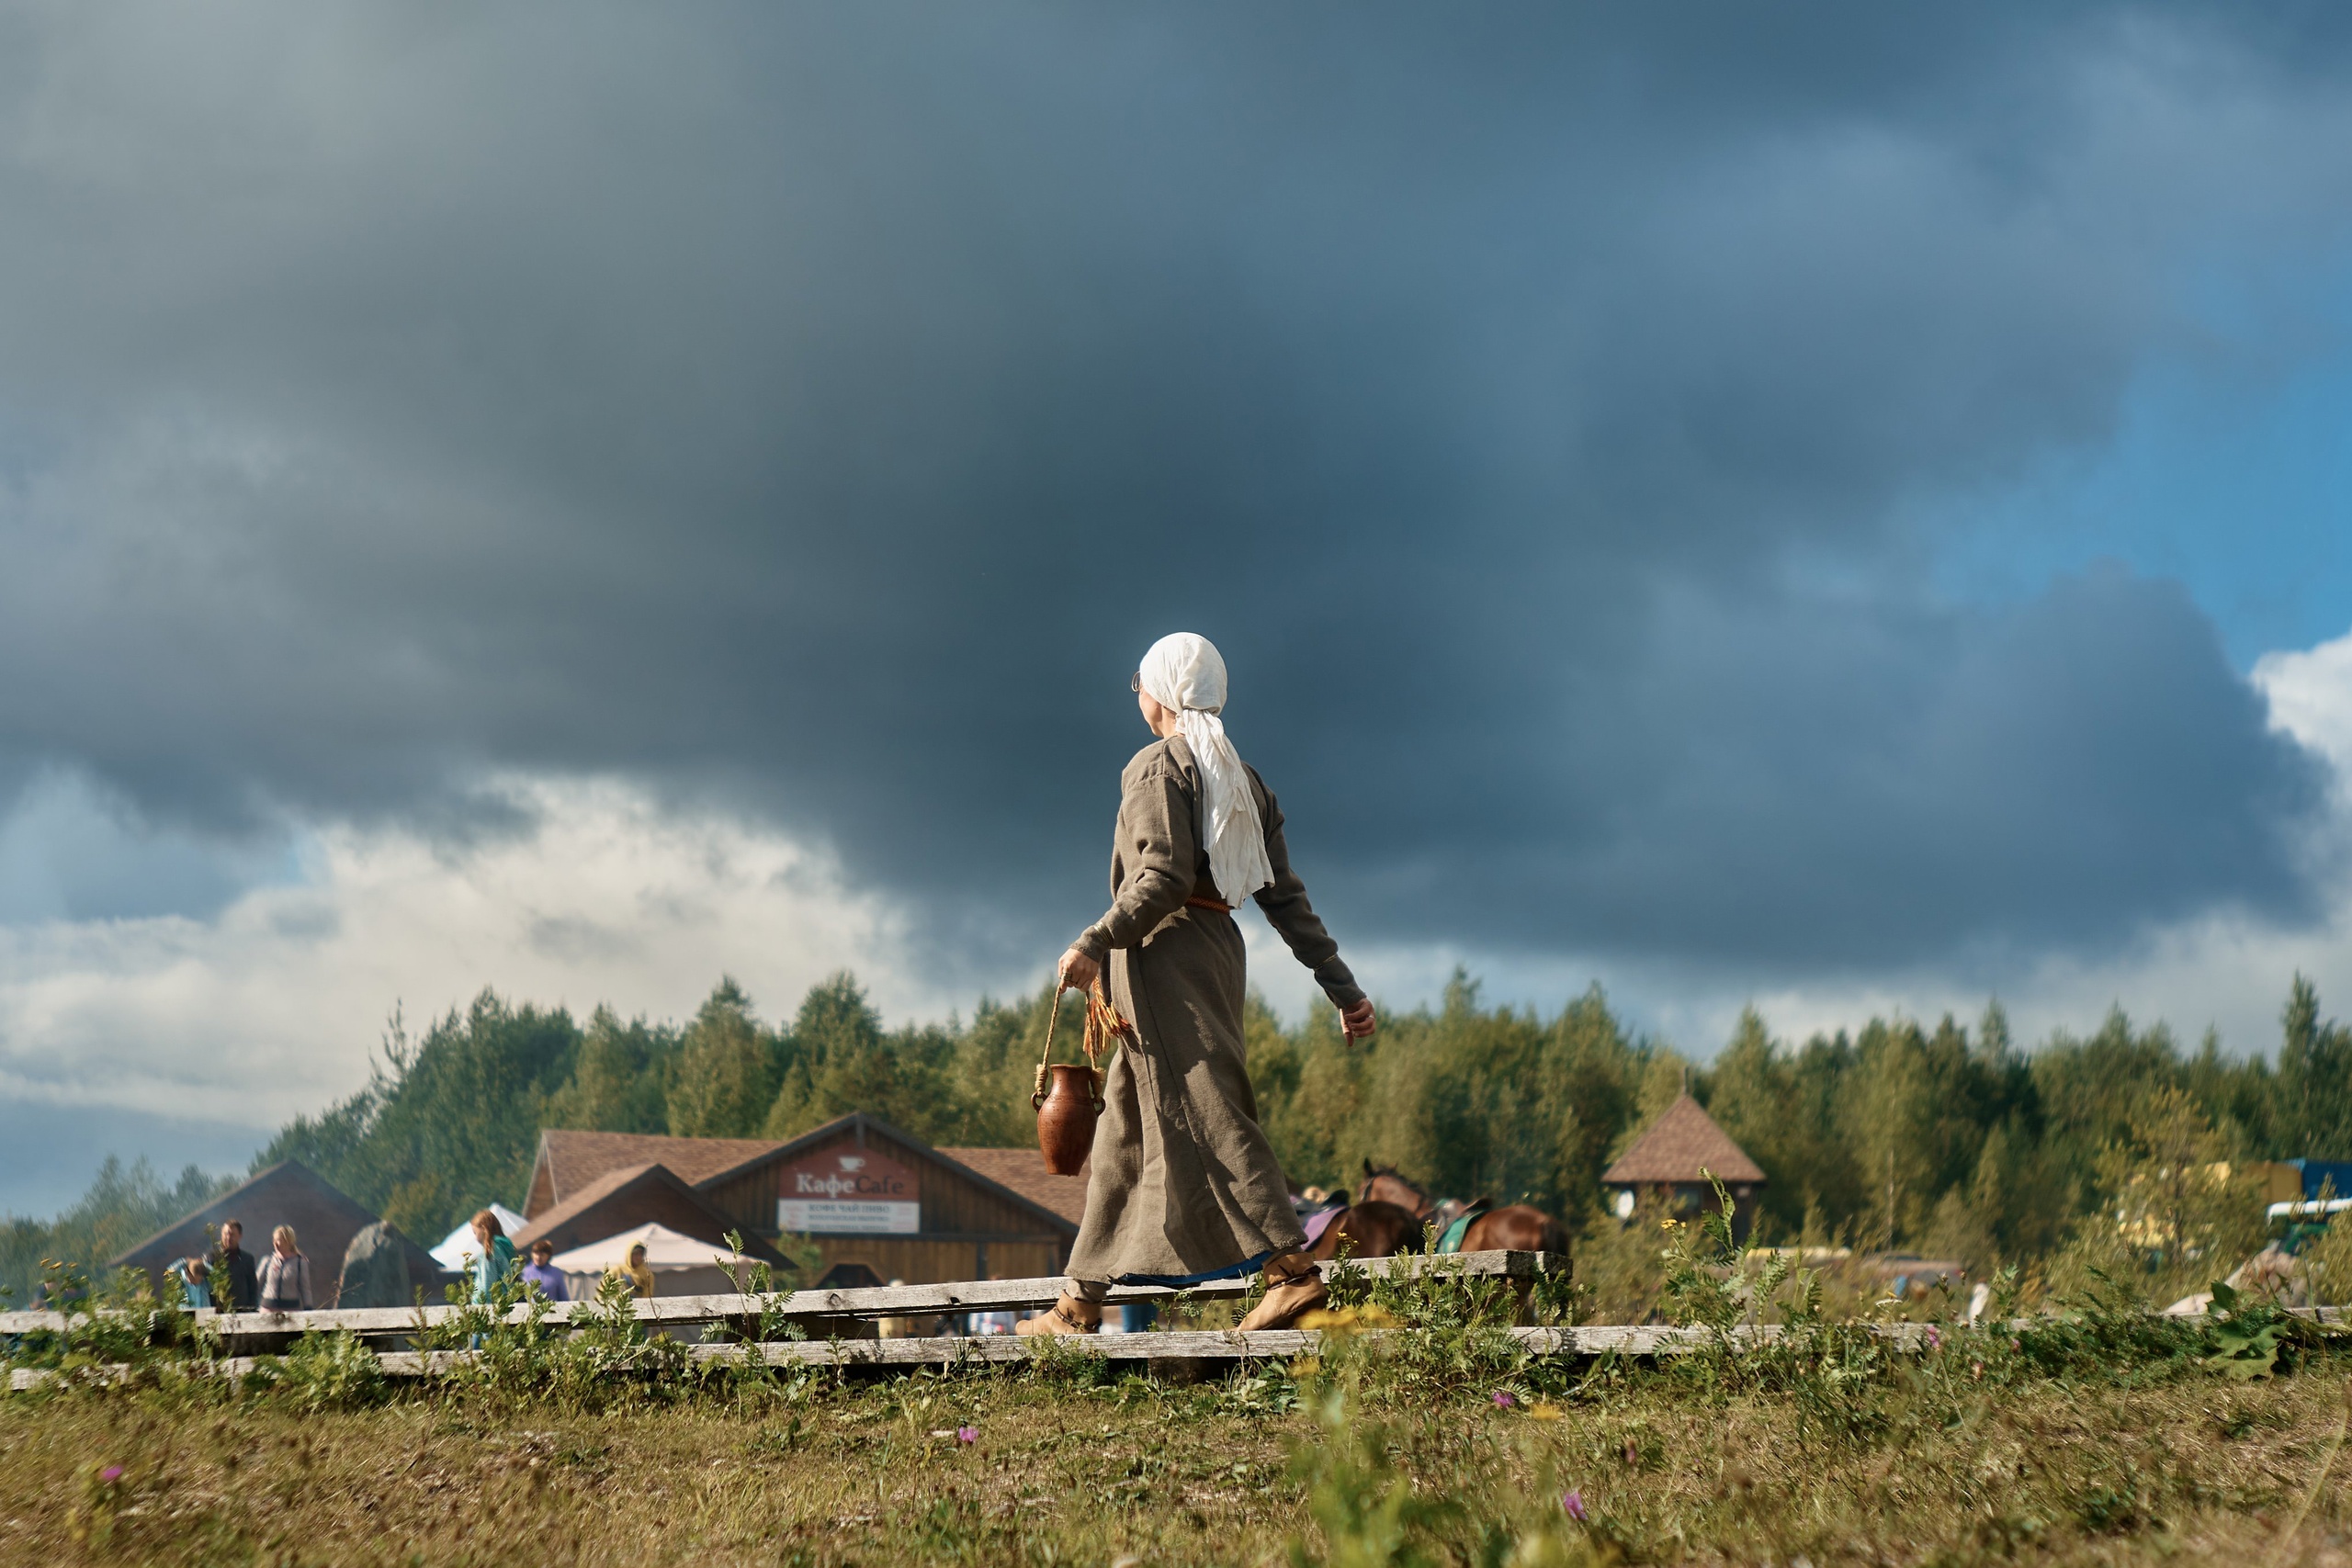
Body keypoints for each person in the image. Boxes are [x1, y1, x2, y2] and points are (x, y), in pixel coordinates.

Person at [1020, 633, 1376, 1337]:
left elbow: (1162, 878)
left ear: (1164, 694)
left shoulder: (1157, 767)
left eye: (1140, 684)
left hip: (1165, 955)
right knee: (1124, 1123)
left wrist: (1094, 940)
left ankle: (1292, 1274)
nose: (1138, 696)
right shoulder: (1243, 779)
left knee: (1213, 1108)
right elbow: (1286, 899)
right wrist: (1344, 988)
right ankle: (1079, 1302)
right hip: (1214, 951)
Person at [256, 1225, 312, 1314]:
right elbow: (256, 1284)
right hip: (267, 1310)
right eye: (274, 1240)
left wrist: (308, 1309)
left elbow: (305, 1288)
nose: (275, 1243)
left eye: (278, 1240)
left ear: (288, 1241)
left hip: (291, 1312)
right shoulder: (267, 1261)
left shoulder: (300, 1262)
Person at [469, 1210, 518, 1304]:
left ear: (483, 1228)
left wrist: (480, 1306)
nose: (475, 1238)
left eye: (475, 1232)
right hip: (504, 1303)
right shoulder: (503, 1248)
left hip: (489, 1307)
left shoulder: (489, 1252)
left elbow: (488, 1286)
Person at [213, 1220, 259, 1313]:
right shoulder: (212, 1259)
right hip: (218, 1314)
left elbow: (253, 1287)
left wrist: (252, 1309)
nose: (228, 1237)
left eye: (232, 1234)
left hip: (242, 1312)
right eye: (226, 1234)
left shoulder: (247, 1259)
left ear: (240, 1236)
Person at [518, 1237, 570, 1303]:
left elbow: (564, 1298)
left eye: (542, 1255)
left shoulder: (556, 1273)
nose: (538, 1257)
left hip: (552, 1310)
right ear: (532, 1254)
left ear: (548, 1256)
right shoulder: (524, 1272)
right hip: (531, 1311)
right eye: (536, 1254)